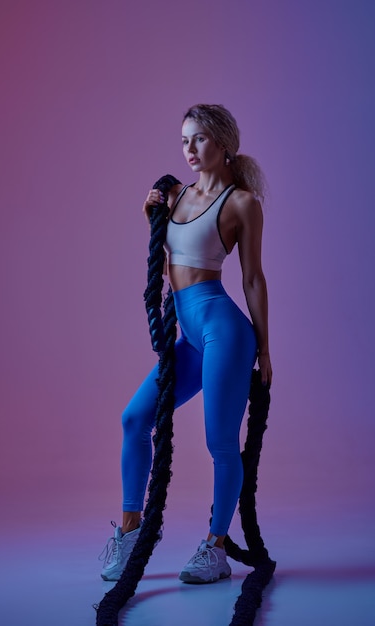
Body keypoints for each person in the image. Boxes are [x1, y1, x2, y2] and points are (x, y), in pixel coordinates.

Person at [99, 103, 272, 584]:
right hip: (191, 337)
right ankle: (131, 532)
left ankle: (215, 548)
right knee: (134, 418)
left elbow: (253, 279)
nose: (189, 150)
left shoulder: (242, 203)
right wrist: (148, 213)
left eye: (198, 139)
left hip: (224, 332)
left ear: (223, 142)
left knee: (220, 442)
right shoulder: (177, 193)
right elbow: (174, 248)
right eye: (183, 141)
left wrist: (264, 349)